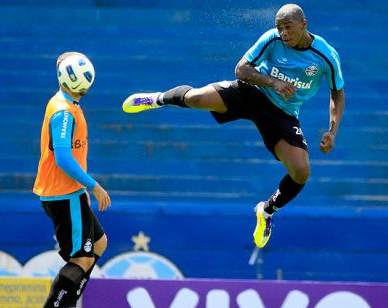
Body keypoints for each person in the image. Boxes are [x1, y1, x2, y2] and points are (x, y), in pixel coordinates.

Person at [122, 3, 345, 249]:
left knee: (301, 171)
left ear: (304, 24)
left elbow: (337, 93)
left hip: (283, 112)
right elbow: (241, 69)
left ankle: (266, 212)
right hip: (253, 91)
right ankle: (155, 99)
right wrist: (273, 82)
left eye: (288, 27)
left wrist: (332, 130)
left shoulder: (325, 55)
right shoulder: (272, 40)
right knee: (196, 98)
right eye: (279, 28)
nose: (283, 33)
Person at [32, 52, 111, 308]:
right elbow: (63, 157)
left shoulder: (66, 103)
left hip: (68, 191)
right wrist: (93, 186)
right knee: (81, 259)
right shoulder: (64, 111)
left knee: (98, 244)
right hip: (64, 193)